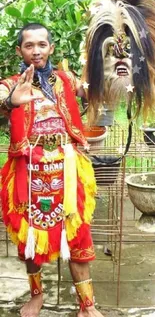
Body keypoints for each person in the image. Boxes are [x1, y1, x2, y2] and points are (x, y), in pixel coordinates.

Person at [0, 23, 104, 317]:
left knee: (78, 233)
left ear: (51, 49)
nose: (36, 51)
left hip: (69, 168)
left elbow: (94, 90)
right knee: (28, 235)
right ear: (20, 50)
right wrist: (9, 101)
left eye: (42, 45)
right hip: (29, 170)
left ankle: (87, 305)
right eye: (29, 46)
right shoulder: (11, 83)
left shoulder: (65, 79)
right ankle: (37, 295)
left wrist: (110, 62)